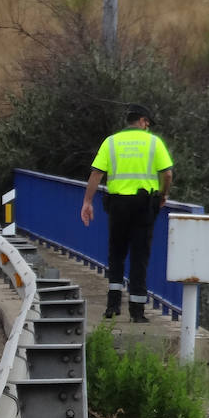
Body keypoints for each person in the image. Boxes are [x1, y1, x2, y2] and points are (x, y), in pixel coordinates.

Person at [80, 103, 174, 322]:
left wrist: (87, 202)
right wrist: (163, 194)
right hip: (144, 206)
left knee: (117, 253)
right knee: (140, 256)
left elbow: (96, 174)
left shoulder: (111, 142)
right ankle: (137, 312)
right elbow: (167, 174)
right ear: (142, 121)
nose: (148, 127)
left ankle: (112, 306)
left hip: (118, 205)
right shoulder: (154, 142)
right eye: (147, 123)